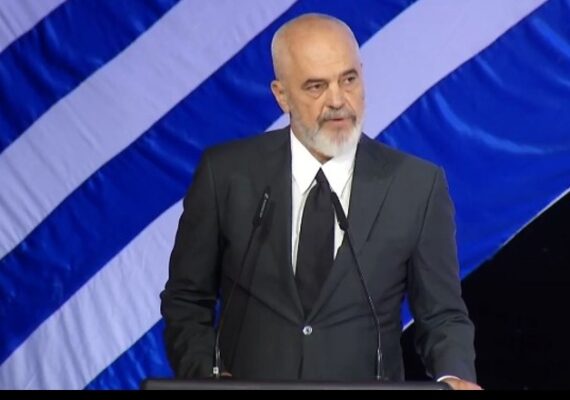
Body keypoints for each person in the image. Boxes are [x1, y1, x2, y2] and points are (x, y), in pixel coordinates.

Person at [160, 13, 481, 390]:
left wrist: (454, 376)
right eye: (316, 86)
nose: (338, 100)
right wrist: (209, 377)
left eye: (349, 79)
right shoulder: (226, 174)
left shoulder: (417, 186)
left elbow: (442, 315)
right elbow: (186, 300)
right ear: (282, 95)